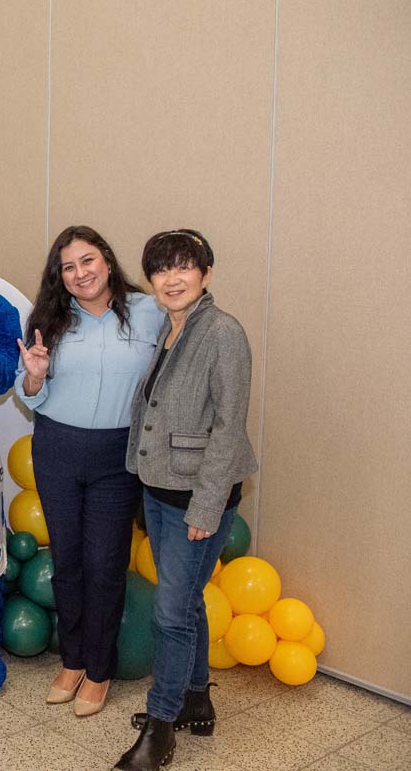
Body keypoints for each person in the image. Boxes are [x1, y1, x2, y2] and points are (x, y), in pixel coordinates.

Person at [114, 229, 257, 771]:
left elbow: (227, 427)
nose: (172, 279)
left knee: (171, 615)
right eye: (160, 270)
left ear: (206, 274)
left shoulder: (222, 333)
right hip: (160, 490)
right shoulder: (171, 330)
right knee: (189, 601)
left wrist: (205, 505)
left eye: (184, 267)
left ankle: (160, 727)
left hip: (198, 497)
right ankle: (195, 696)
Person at [14, 226, 165, 716]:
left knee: (105, 566)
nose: (81, 273)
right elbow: (30, 393)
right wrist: (34, 376)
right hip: (57, 446)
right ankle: (73, 660)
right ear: (61, 277)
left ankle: (99, 670)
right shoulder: (48, 319)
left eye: (88, 260)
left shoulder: (150, 311)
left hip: (117, 456)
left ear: (107, 259)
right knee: (68, 560)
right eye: (69, 267)